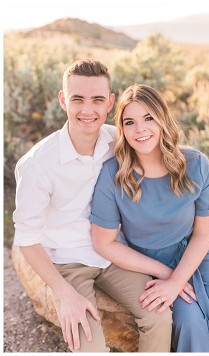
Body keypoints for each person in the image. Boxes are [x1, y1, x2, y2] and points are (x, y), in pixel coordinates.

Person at [12, 59, 172, 352]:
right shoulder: (37, 165)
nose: (88, 110)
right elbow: (26, 239)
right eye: (78, 99)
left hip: (113, 253)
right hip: (67, 261)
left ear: (110, 103)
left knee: (159, 316)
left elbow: (160, 153)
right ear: (63, 100)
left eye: (97, 99)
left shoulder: (117, 140)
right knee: (90, 347)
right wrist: (65, 295)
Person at [89, 83, 209, 352]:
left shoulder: (196, 164)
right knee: (191, 324)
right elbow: (104, 243)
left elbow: (204, 234)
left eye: (148, 118)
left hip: (199, 252)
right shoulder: (113, 175)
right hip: (150, 261)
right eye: (130, 122)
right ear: (122, 129)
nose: (140, 129)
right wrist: (168, 277)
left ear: (162, 119)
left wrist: (177, 281)